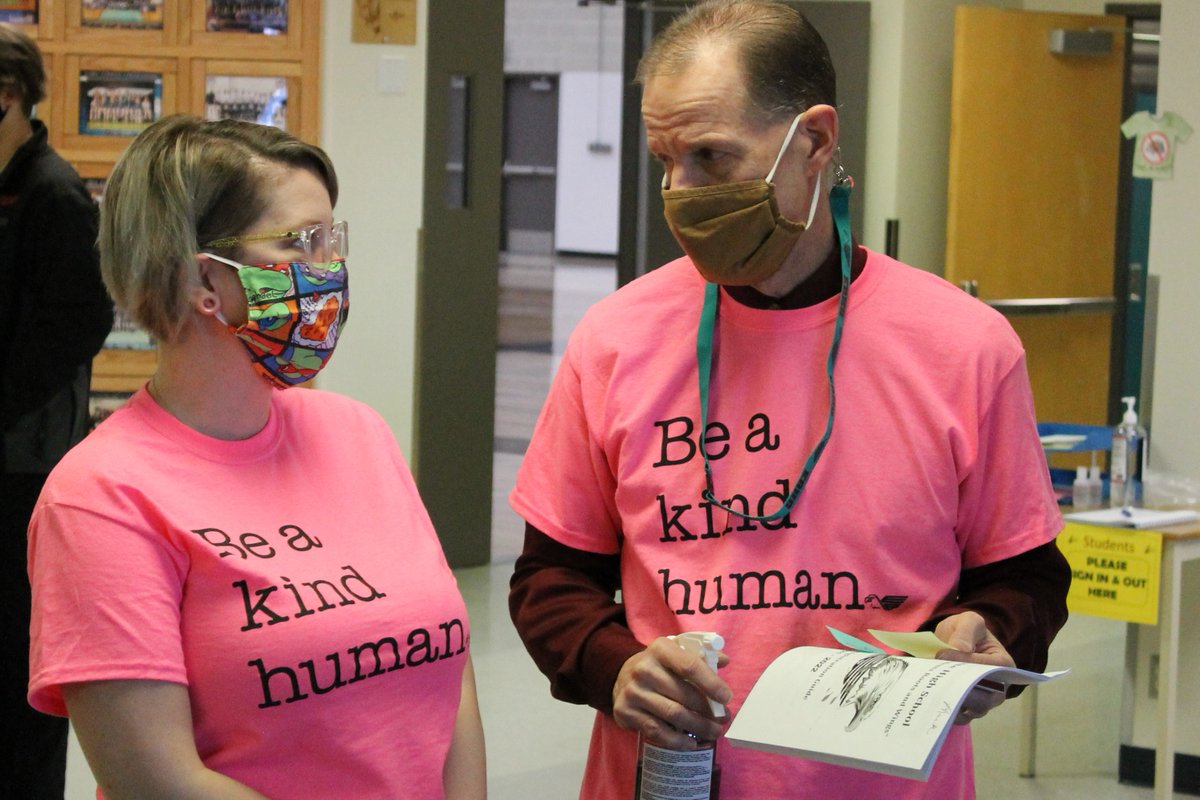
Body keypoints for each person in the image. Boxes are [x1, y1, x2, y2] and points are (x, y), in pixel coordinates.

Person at [507, 2, 1070, 798]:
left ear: (814, 141)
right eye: (664, 159)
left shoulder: (964, 346)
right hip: (673, 778)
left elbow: (1027, 576)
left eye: (712, 157)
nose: (681, 192)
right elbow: (550, 578)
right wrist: (617, 666)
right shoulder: (615, 339)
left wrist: (994, 635)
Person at [26, 114, 486, 799]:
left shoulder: (360, 434)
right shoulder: (100, 497)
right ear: (198, 279)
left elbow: (448, 665)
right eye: (303, 243)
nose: (331, 269)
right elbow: (154, 779)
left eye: (335, 239)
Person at [0, 24, 113, 799]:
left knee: (19, 661)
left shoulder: (54, 191)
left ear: (7, 97)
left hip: (25, 464)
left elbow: (79, 322)